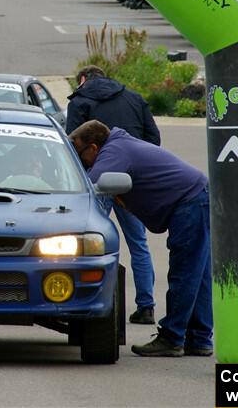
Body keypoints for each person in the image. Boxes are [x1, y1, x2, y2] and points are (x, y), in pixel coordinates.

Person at [70, 120, 212, 357]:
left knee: (185, 272)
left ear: (93, 148)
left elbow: (88, 189)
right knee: (199, 273)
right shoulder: (120, 144)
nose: (79, 159)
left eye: (78, 152)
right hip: (195, 197)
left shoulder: (114, 151)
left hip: (189, 203)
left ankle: (172, 338)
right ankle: (199, 338)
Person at [66, 65, 160, 325]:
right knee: (138, 244)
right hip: (131, 181)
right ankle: (146, 305)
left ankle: (84, 301)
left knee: (89, 241)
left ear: (82, 80)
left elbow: (72, 147)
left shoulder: (80, 101)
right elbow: (153, 137)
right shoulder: (134, 97)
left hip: (97, 181)